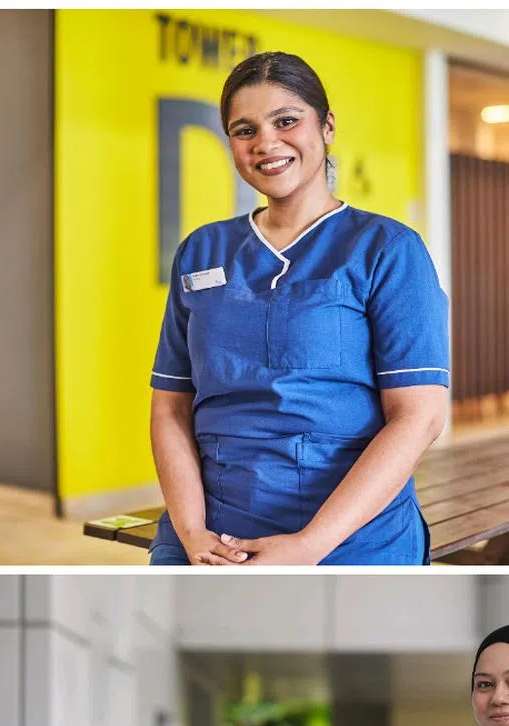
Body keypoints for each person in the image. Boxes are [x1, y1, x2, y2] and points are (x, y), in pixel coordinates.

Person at [148, 51, 449, 566]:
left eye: (286, 121)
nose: (265, 143)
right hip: (209, 531)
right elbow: (170, 406)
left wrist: (309, 545)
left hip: (348, 535)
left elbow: (419, 417)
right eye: (244, 130)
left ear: (326, 126)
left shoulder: (387, 249)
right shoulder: (201, 251)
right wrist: (193, 532)